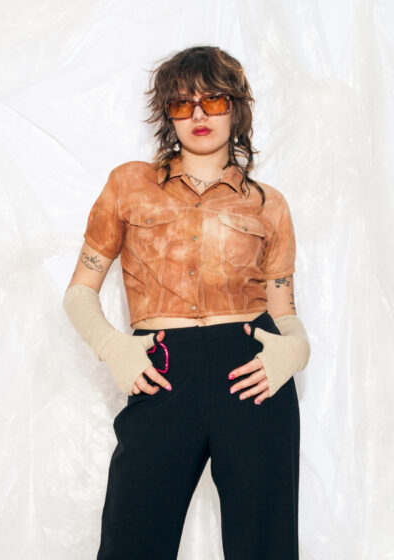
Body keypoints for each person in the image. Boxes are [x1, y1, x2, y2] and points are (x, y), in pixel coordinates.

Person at [63, 45, 311, 560]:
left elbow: (284, 312)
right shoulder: (129, 184)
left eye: (213, 101)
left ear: (235, 108)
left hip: (252, 374)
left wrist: (295, 349)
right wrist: (113, 346)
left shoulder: (269, 205)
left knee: (265, 546)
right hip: (162, 371)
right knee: (131, 541)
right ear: (168, 116)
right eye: (182, 103)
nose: (198, 115)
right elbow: (79, 291)